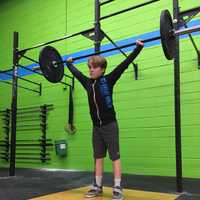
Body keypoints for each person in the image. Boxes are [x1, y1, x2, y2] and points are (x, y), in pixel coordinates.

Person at [66, 40, 144, 200]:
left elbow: (125, 63)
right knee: (98, 157)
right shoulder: (87, 83)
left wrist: (138, 48)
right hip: (97, 128)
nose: (90, 70)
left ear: (102, 69)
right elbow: (76, 73)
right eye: (89, 67)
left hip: (110, 126)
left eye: (93, 68)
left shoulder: (108, 79)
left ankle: (117, 188)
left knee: (115, 157)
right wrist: (69, 65)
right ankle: (97, 187)